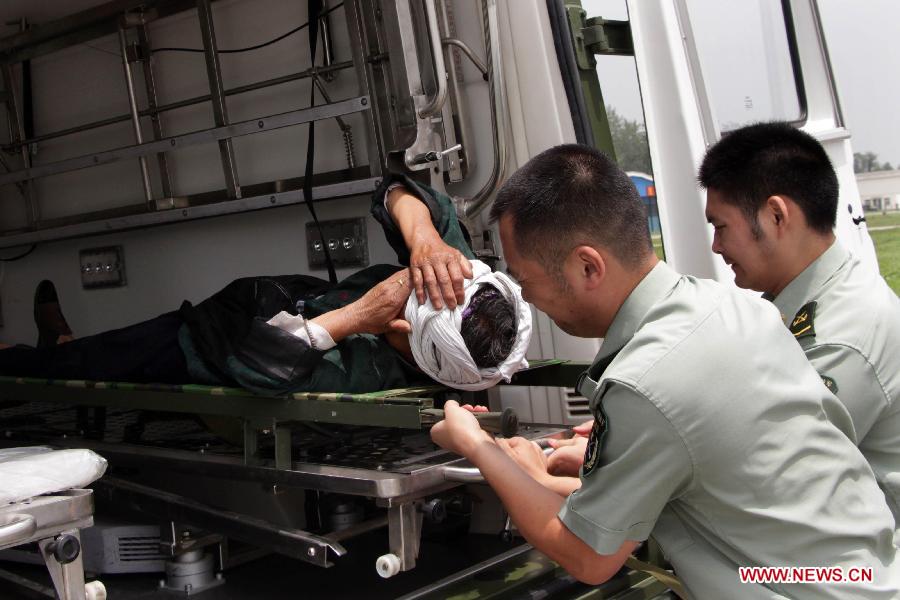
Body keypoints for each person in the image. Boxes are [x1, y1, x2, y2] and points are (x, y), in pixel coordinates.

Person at [430, 144, 900, 598]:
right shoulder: (729, 305)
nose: (527, 298)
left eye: (527, 281)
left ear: (588, 266)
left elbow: (589, 556)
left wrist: (478, 446)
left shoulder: (646, 381)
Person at [0, 177, 531, 394]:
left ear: (401, 326)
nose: (406, 284)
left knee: (84, 366)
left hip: (205, 348)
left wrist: (353, 317)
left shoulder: (360, 376)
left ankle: (22, 358)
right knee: (96, 351)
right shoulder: (454, 281)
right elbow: (395, 190)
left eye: (403, 296)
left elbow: (257, 361)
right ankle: (60, 345)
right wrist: (423, 242)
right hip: (250, 302)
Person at [700, 122, 900, 536]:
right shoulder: (820, 299)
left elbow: (761, 478)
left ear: (776, 215)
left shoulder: (839, 338)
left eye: (721, 227)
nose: (716, 247)